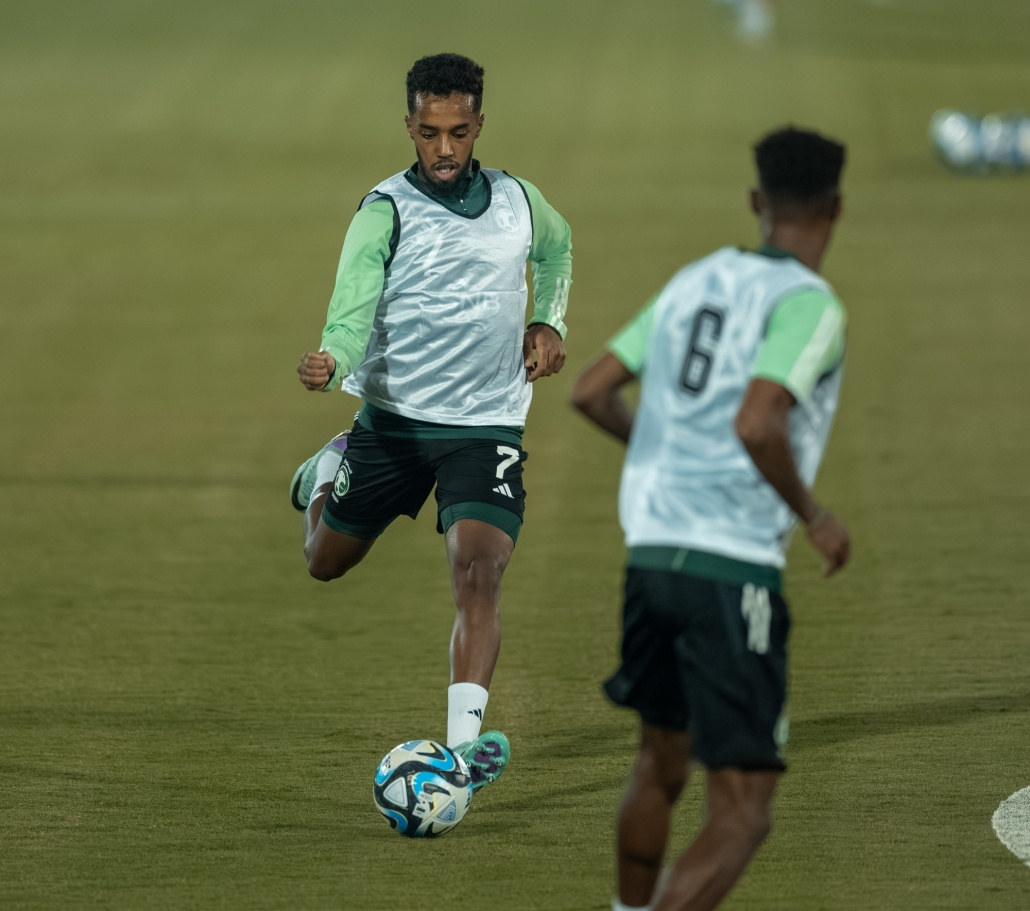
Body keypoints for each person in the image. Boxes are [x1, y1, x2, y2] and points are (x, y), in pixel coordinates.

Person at [571, 126, 850, 911]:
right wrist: (814, 515)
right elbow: (759, 423)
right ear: (835, 207)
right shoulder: (810, 305)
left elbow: (591, 390)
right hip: (731, 568)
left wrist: (665, 449)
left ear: (757, 200)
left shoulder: (693, 280)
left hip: (651, 558)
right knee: (744, 809)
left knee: (659, 764)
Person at [289, 53, 571, 796]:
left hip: (487, 424)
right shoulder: (383, 211)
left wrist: (548, 319)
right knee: (325, 560)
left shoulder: (519, 200)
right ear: (409, 126)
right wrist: (332, 360)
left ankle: (459, 757)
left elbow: (558, 248)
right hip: (395, 424)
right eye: (429, 132)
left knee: (479, 570)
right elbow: (351, 308)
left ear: (479, 124)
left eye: (458, 132)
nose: (444, 149)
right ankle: (328, 469)